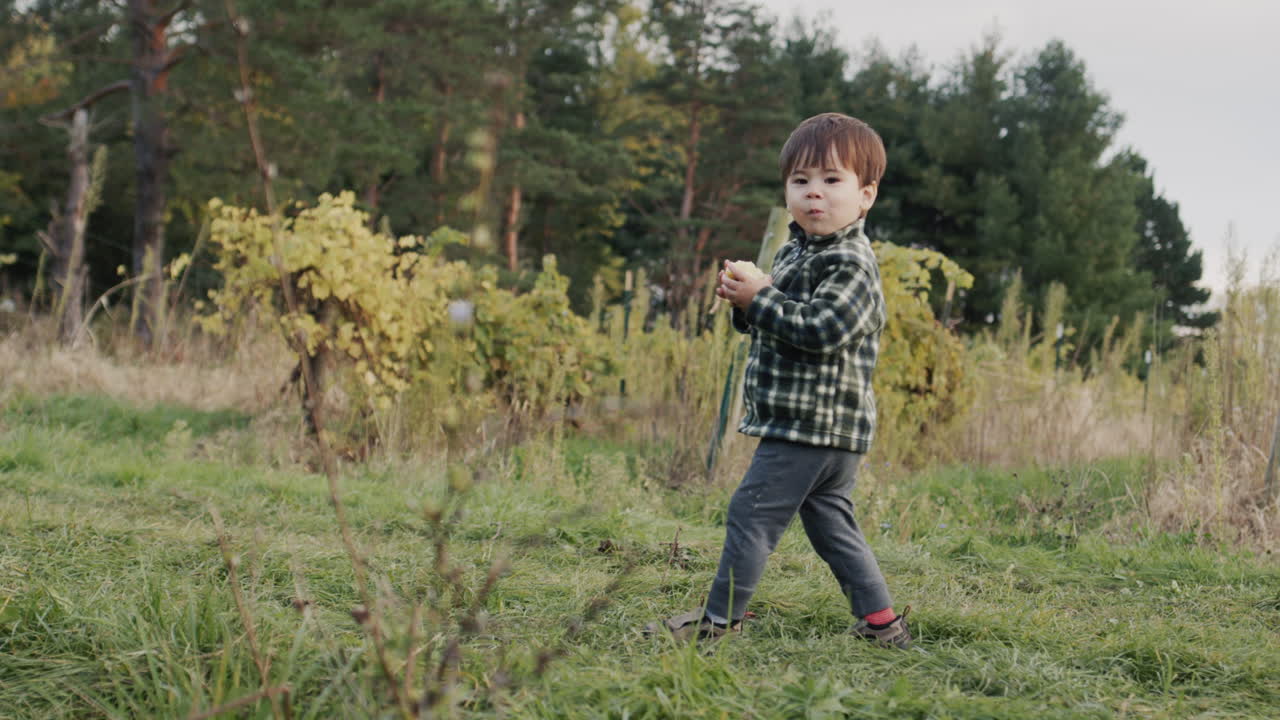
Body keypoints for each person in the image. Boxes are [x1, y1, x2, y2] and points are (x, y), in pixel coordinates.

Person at [647, 113, 910, 649]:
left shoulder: (851, 262)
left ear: (865, 196)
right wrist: (744, 301)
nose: (815, 193)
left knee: (751, 512)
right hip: (821, 428)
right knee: (832, 525)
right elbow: (771, 324)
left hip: (810, 424)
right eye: (801, 181)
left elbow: (820, 330)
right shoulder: (795, 251)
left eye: (832, 181)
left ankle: (717, 623)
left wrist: (762, 299)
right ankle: (882, 625)